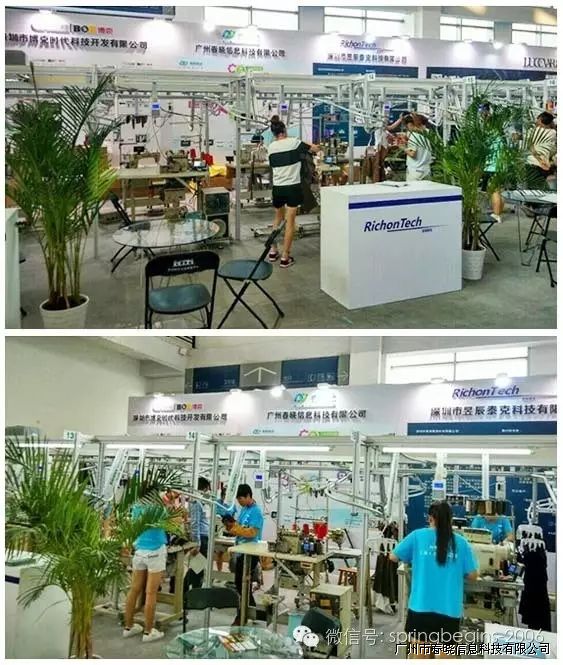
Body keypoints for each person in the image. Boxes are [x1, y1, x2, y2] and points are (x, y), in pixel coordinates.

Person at [390, 502, 479, 657]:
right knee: (446, 656)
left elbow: (393, 556)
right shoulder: (461, 543)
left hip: (421, 606)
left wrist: (413, 558)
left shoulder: (417, 536)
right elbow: (473, 575)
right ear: (451, 519)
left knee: (420, 655)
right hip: (449, 609)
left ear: (430, 518)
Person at [267, 115, 320, 268]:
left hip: (278, 187)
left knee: (277, 218)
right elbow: (314, 149)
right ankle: (285, 257)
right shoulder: (294, 142)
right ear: (284, 130)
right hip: (292, 187)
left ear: (274, 133)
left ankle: (273, 251)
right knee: (290, 222)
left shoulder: (271, 147)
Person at [123, 502, 171, 643]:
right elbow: (171, 523)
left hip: (139, 551)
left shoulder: (136, 506)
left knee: (134, 589)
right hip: (155, 551)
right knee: (150, 593)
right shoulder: (159, 507)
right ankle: (148, 631)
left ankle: (128, 627)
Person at [227, 483, 264, 625]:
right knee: (241, 583)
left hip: (250, 553)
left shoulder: (256, 512)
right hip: (240, 550)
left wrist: (236, 530)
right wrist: (231, 526)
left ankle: (242, 615)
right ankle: (252, 611)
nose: (240, 502)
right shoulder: (244, 509)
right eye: (238, 500)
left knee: (242, 583)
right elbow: (239, 526)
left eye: (241, 499)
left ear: (248, 496)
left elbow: (252, 532)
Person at [185, 477, 211, 594]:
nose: (208, 492)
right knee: (197, 568)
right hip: (201, 538)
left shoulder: (202, 502)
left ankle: (194, 592)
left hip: (205, 536)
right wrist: (197, 543)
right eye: (208, 489)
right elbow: (195, 523)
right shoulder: (196, 502)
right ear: (204, 488)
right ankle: (188, 592)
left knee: (198, 568)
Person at [526, 111, 557, 186]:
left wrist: (538, 159)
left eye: (537, 119)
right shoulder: (553, 133)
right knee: (540, 187)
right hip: (544, 165)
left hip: (532, 162)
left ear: (540, 120)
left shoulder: (531, 131)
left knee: (533, 187)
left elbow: (530, 146)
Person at [403, 114, 432, 182]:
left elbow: (412, 154)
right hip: (426, 170)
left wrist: (403, 148)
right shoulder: (428, 134)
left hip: (415, 170)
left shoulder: (414, 136)